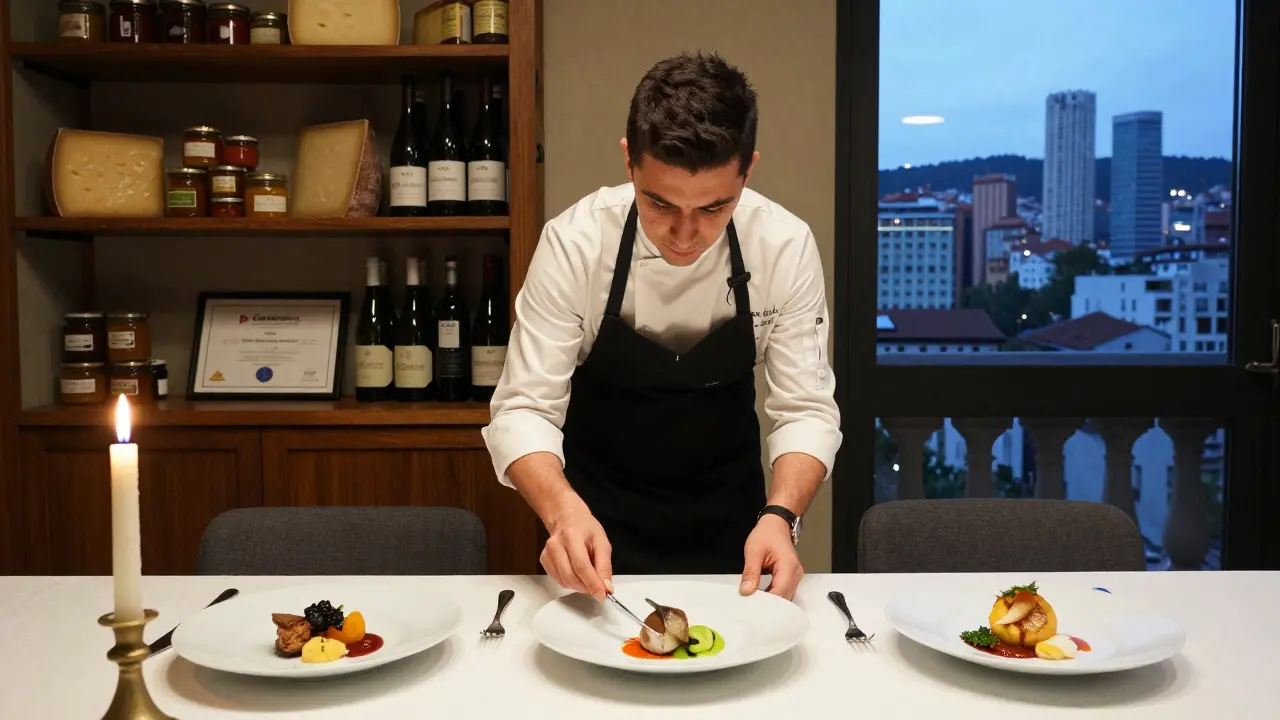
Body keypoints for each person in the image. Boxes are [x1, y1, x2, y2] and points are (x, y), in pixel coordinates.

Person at [480, 52, 841, 602]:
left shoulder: (784, 246)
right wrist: (560, 510)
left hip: (738, 527)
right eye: (660, 203)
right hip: (591, 522)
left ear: (748, 171)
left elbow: (806, 409)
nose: (684, 235)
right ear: (629, 161)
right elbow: (524, 408)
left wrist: (782, 515)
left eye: (715, 208)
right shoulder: (575, 242)